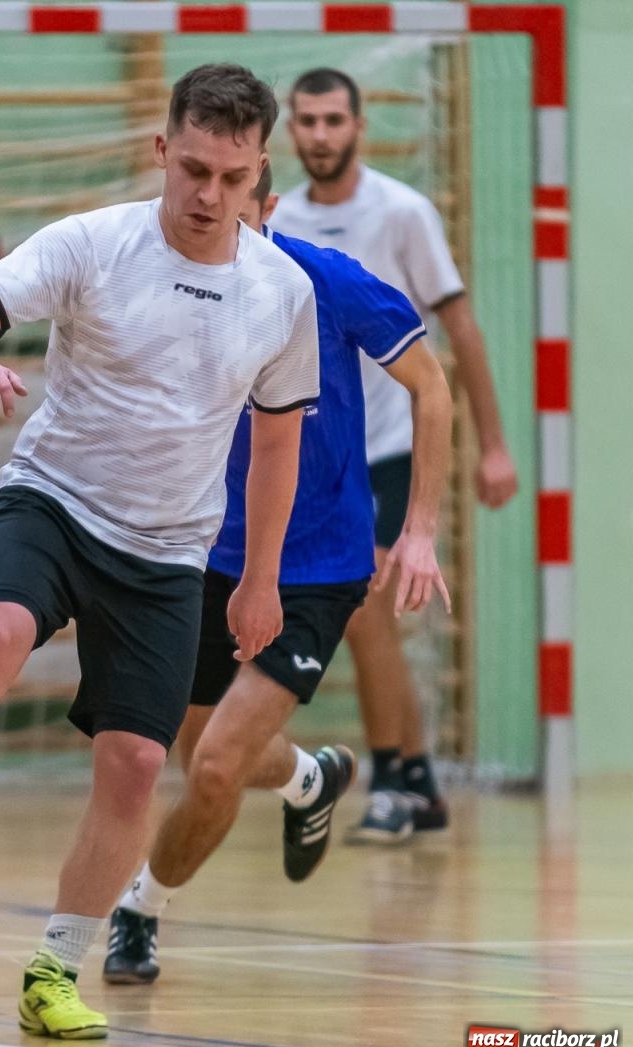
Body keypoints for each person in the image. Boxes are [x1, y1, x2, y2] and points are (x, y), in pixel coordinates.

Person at [0, 64, 320, 1039]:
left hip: (166, 553)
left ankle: (53, 968)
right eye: (192, 168)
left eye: (232, 178)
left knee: (138, 762)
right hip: (55, 503)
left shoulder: (281, 292)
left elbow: (276, 444)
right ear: (162, 149)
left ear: (258, 171)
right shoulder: (94, 242)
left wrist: (261, 583)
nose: (208, 195)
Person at [103, 166, 454, 985]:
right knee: (198, 757)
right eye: (199, 189)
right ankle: (311, 775)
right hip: (204, 554)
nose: (214, 209)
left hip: (319, 566)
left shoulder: (326, 281)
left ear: (267, 209)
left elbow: (432, 389)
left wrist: (420, 529)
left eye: (238, 197)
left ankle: (140, 910)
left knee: (219, 764)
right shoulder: (170, 290)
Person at [273, 67, 517, 842]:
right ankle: (417, 780)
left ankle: (388, 781)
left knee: (369, 604)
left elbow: (462, 330)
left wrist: (496, 445)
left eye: (332, 120)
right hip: (322, 450)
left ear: (359, 125)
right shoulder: (283, 221)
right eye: (306, 121)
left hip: (393, 442)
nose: (319, 135)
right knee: (366, 616)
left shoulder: (403, 213)